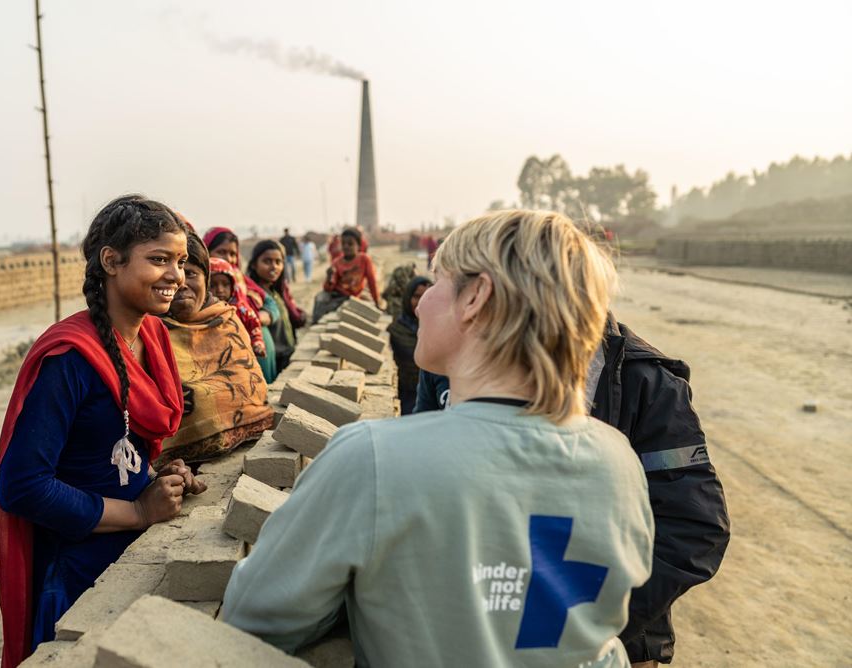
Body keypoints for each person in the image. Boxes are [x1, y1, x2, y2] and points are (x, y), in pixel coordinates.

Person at [221, 209, 654, 667]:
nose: (422, 302)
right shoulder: (619, 461)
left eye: (437, 282)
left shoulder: (374, 459)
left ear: (475, 298)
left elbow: (257, 617)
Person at [414, 321, 731, 667]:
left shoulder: (646, 381)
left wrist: (589, 625)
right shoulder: (459, 357)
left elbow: (693, 526)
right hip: (478, 628)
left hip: (617, 643)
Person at [0, 195, 208, 667]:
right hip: (77, 576)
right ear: (111, 260)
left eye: (182, 261)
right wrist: (136, 511)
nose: (176, 275)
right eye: (159, 260)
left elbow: (109, 449)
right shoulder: (71, 357)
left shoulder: (149, 338)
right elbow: (22, 486)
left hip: (129, 559)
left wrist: (154, 475)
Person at [160, 236, 274, 464]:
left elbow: (254, 387)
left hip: (247, 454)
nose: (181, 282)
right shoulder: (148, 332)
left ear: (206, 279)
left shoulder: (227, 320)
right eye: (173, 275)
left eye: (190, 273)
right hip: (176, 472)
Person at [203, 227, 268, 359]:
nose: (228, 258)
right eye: (222, 252)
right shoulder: (199, 289)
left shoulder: (238, 279)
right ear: (205, 251)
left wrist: (264, 316)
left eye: (233, 254)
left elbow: (268, 301)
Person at [247, 240, 306, 380]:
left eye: (278, 262)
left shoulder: (276, 291)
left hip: (287, 352)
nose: (274, 266)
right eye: (267, 261)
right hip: (273, 358)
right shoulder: (254, 295)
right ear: (254, 264)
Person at [312, 227, 380, 322]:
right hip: (338, 296)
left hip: (352, 297)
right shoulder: (336, 262)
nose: (346, 246)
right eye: (343, 244)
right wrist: (329, 277)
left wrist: (377, 302)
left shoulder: (364, 260)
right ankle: (315, 323)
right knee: (320, 299)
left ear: (359, 245)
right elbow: (328, 288)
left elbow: (372, 282)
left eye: (350, 244)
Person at [386, 276, 432, 414]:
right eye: (417, 296)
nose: (421, 302)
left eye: (427, 296)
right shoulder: (396, 330)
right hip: (407, 396)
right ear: (407, 298)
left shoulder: (441, 330)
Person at [209, 257, 267, 358]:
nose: (220, 290)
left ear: (233, 285)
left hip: (242, 356)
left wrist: (257, 344)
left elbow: (254, 325)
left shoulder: (241, 309)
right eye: (212, 285)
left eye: (225, 284)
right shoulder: (202, 312)